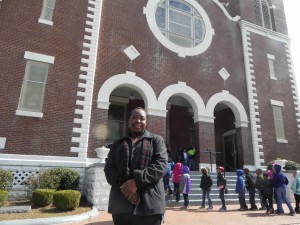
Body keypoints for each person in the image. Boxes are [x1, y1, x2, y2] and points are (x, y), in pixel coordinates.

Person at [104, 107, 168, 225]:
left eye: (142, 119)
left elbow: (161, 165)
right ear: (129, 121)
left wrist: (136, 182)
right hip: (121, 205)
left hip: (150, 204)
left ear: (146, 122)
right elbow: (109, 168)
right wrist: (125, 187)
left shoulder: (156, 141)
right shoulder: (118, 143)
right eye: (134, 118)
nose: (138, 121)